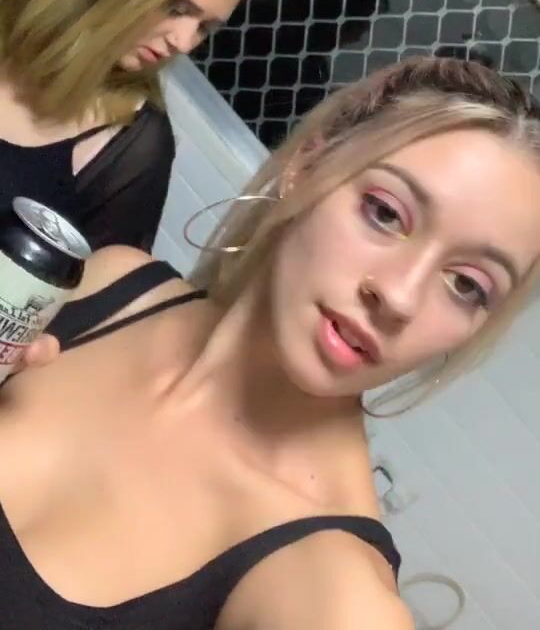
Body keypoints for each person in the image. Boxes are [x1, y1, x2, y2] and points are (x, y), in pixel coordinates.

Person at [8, 56, 540, 630]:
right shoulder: (113, 283)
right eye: (386, 213)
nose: (400, 296)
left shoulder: (337, 594)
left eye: (467, 285)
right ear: (306, 167)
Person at [0, 0, 266, 266]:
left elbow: (92, 297)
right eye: (178, 7)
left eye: (204, 28)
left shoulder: (132, 149)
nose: (184, 42)